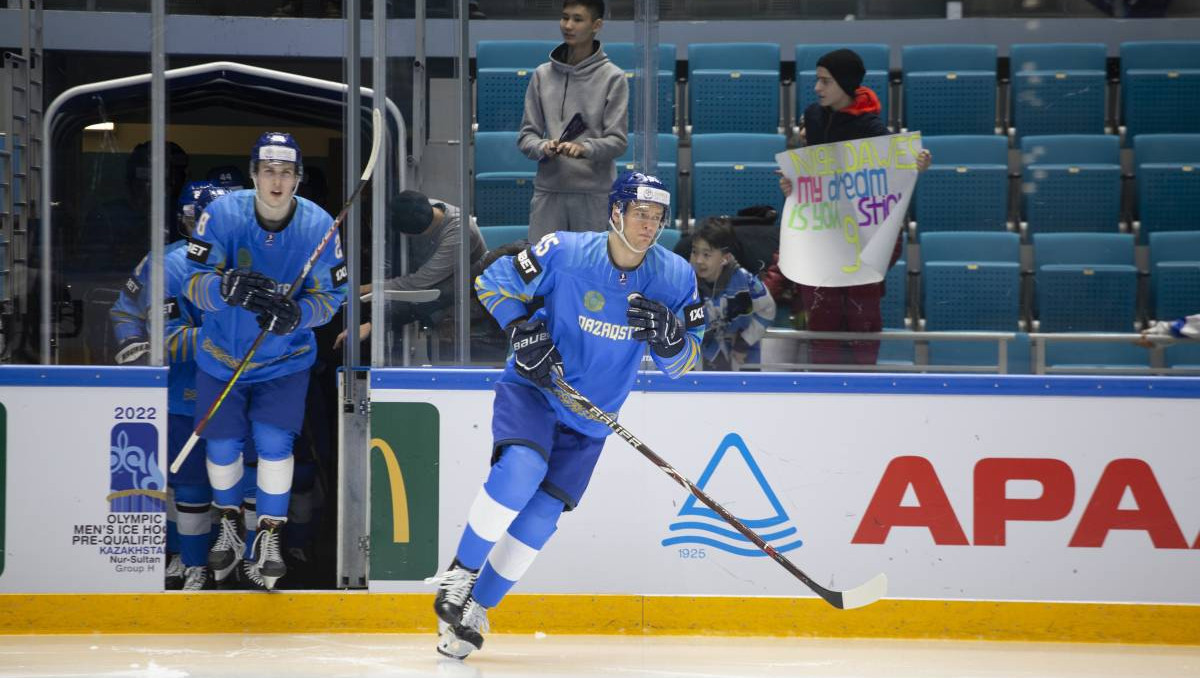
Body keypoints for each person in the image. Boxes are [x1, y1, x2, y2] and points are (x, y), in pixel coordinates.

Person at [426, 172, 704, 660]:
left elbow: (685, 364)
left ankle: (476, 608)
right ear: (614, 212)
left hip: (592, 418)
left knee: (540, 518)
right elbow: (492, 281)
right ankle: (461, 572)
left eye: (657, 216)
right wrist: (521, 329)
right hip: (535, 390)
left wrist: (672, 337)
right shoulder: (566, 250)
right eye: (640, 213)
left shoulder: (676, 276)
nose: (649, 225)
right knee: (521, 469)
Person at [182, 132, 348, 591]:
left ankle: (270, 536)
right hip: (221, 359)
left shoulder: (318, 226)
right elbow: (192, 282)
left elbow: (333, 296)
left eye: (287, 172)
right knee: (222, 446)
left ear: (298, 179)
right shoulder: (221, 216)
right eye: (269, 171)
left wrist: (300, 314)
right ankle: (231, 522)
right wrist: (222, 290)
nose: (278, 181)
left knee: (276, 444)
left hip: (285, 360)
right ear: (254, 174)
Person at [109, 181, 230, 591]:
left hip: (242, 389)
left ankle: (236, 562)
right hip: (184, 392)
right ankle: (191, 559)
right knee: (189, 483)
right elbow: (126, 308)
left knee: (244, 482)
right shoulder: (164, 263)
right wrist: (130, 339)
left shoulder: (254, 259)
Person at [776, 48, 931, 366]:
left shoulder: (871, 129)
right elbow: (810, 178)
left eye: (825, 81)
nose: (817, 88)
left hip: (861, 243)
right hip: (823, 240)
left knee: (861, 335)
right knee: (822, 338)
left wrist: (915, 165)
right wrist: (793, 186)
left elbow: (892, 176)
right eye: (817, 81)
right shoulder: (814, 118)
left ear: (845, 84)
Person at [518, 0, 628, 242]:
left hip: (595, 195)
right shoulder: (542, 75)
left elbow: (618, 141)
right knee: (544, 270)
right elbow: (526, 137)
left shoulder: (614, 78)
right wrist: (543, 146)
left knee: (592, 272)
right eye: (564, 17)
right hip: (549, 192)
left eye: (577, 19)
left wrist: (585, 149)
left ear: (596, 25)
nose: (568, 25)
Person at [333, 190, 487, 351]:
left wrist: (363, 289)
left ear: (411, 233)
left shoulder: (460, 234)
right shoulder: (421, 206)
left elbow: (419, 283)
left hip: (463, 312)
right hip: (431, 298)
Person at [689, 218, 776, 371]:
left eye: (706, 254)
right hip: (703, 364)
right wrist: (720, 359)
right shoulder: (688, 288)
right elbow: (695, 331)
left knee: (747, 394)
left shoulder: (745, 282)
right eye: (695, 252)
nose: (698, 260)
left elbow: (768, 310)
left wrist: (744, 342)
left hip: (744, 359)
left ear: (725, 258)